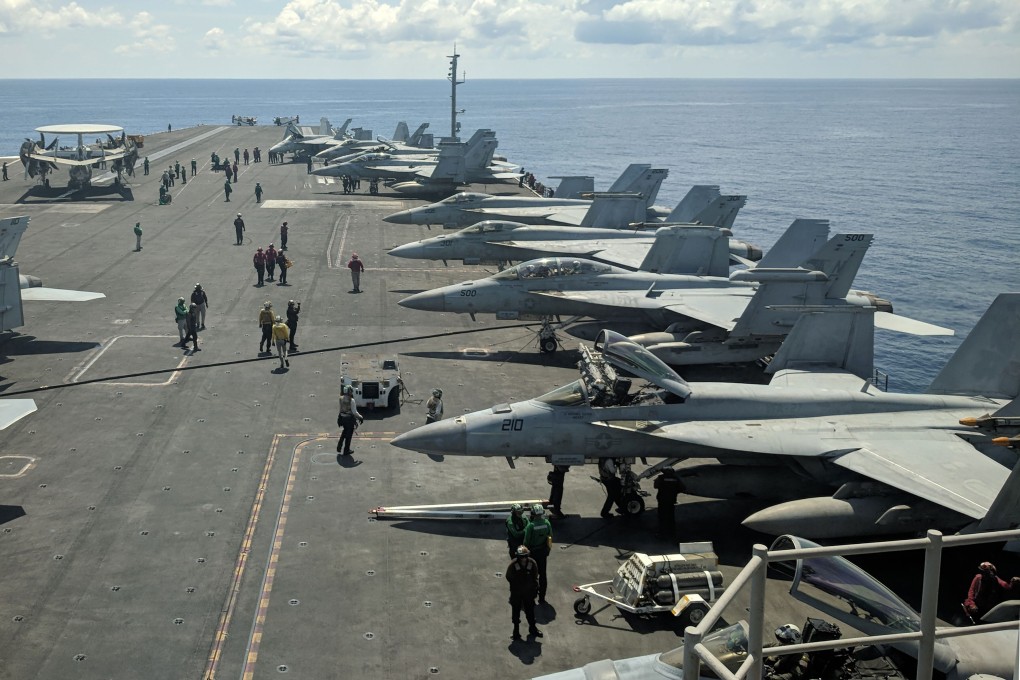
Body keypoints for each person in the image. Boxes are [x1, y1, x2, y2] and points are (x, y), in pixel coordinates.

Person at [505, 545, 542, 641]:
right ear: (518, 556)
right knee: (516, 612)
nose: (524, 559)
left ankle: (533, 628)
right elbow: (508, 576)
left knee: (530, 611)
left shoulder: (532, 563)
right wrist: (517, 585)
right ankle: (516, 631)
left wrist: (532, 587)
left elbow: (535, 575)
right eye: (522, 556)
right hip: (516, 593)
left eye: (525, 556)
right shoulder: (513, 565)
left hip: (528, 593)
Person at [523, 504, 552, 604]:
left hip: (532, 553)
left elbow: (526, 541)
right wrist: (548, 550)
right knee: (543, 575)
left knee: (531, 575)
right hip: (543, 553)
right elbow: (550, 537)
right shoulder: (547, 523)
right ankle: (542, 597)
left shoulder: (531, 526)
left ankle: (531, 595)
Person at [654, 469, 683, 539]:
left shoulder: (661, 478)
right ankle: (672, 534)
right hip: (671, 501)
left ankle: (662, 534)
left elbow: (655, 486)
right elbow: (682, 488)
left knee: (662, 518)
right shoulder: (676, 479)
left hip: (662, 502)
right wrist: (674, 491)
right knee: (671, 518)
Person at [337, 385, 364, 455]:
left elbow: (340, 409)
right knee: (348, 436)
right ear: (349, 392)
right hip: (349, 420)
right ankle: (346, 450)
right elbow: (354, 412)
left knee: (344, 432)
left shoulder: (340, 398)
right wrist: (361, 417)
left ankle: (339, 447)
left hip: (342, 418)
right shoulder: (351, 400)